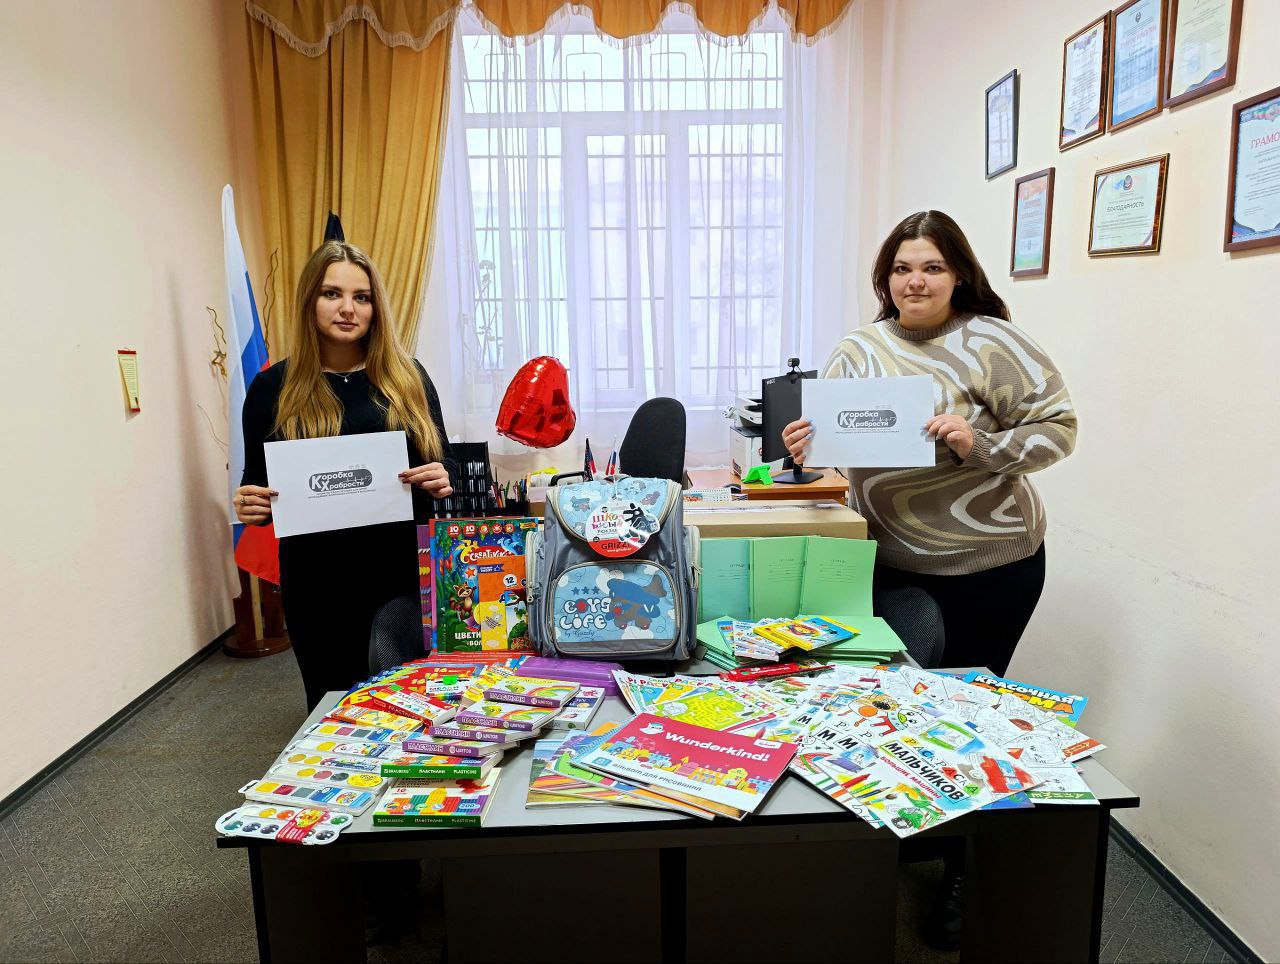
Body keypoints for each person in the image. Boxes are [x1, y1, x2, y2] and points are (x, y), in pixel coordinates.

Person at [782, 211, 1078, 949]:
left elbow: (1059, 429)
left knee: (967, 718)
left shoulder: (994, 341)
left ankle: (960, 869)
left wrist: (982, 443)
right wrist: (805, 448)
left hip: (992, 565)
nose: (915, 281)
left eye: (932, 268)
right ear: (885, 278)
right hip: (889, 563)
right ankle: (909, 829)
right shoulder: (858, 348)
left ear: (959, 275)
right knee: (893, 710)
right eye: (902, 268)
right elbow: (835, 453)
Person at [235, 240, 456, 712]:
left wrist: (442, 476)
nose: (348, 309)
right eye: (332, 293)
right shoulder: (272, 388)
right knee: (332, 705)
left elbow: (445, 463)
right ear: (309, 300)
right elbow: (258, 484)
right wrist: (250, 504)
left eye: (362, 297)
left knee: (408, 704)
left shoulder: (408, 378)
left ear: (376, 307)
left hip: (399, 574)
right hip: (317, 581)